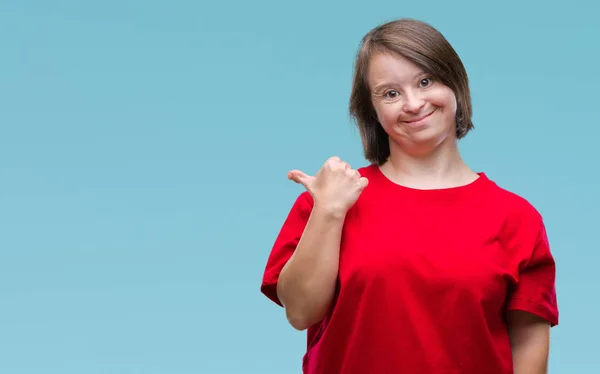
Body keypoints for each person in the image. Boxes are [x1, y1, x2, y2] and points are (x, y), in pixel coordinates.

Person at [260, 18, 558, 374]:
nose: (413, 103)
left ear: (455, 84)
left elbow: (528, 346)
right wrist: (329, 211)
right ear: (372, 111)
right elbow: (300, 312)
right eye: (390, 93)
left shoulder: (517, 218)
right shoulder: (329, 199)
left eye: (425, 81)